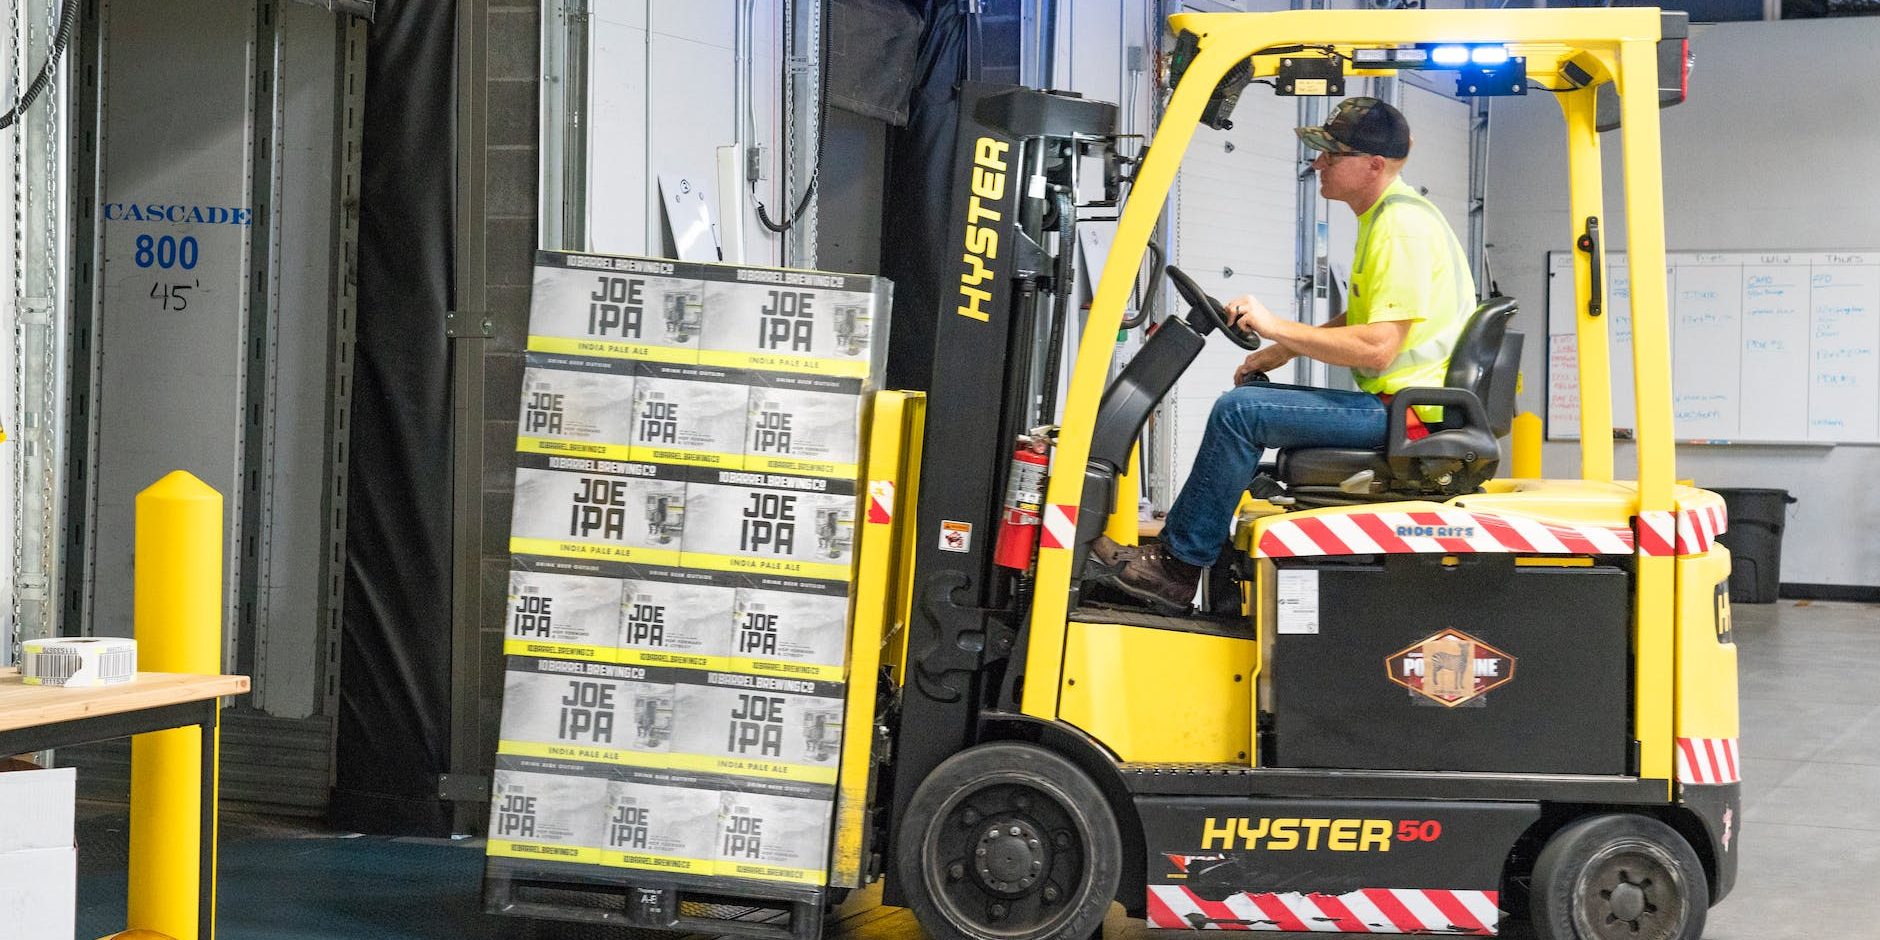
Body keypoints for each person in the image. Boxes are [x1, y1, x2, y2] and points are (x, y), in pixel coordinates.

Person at [1105, 97, 1476, 611]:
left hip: (1409, 417)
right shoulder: (1389, 216)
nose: (1317, 163)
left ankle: (1178, 567)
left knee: (1240, 413)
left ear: (1373, 165)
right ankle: (1191, 556)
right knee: (1251, 401)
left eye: (1331, 154)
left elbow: (1378, 346)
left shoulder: (1400, 228)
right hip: (1405, 408)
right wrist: (1278, 350)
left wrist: (1274, 323)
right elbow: (1367, 317)